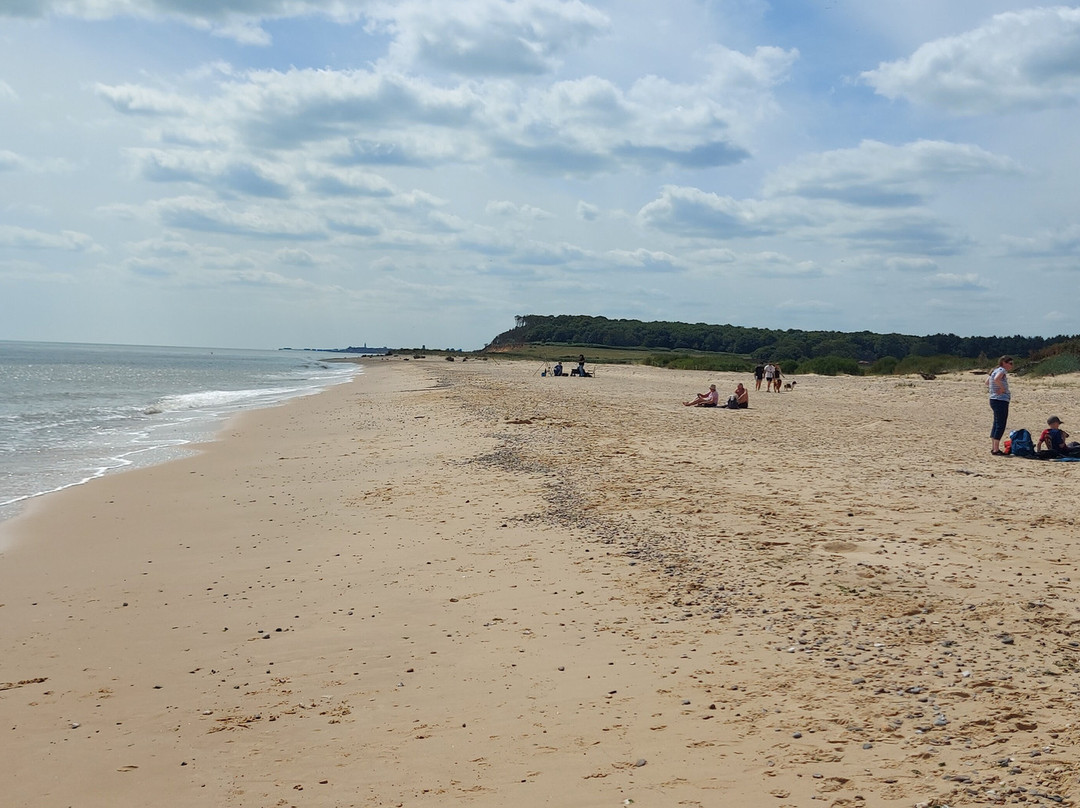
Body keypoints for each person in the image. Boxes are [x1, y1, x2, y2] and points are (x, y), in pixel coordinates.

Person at [988, 355, 1013, 455]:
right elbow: (996, 379)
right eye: (1010, 363)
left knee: (996, 423)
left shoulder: (995, 370)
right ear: (1004, 363)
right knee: (1000, 424)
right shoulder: (1002, 370)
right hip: (1000, 400)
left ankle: (994, 447)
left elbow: (987, 382)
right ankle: (996, 449)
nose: (1011, 365)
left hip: (994, 399)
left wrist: (994, 389)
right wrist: (1002, 389)